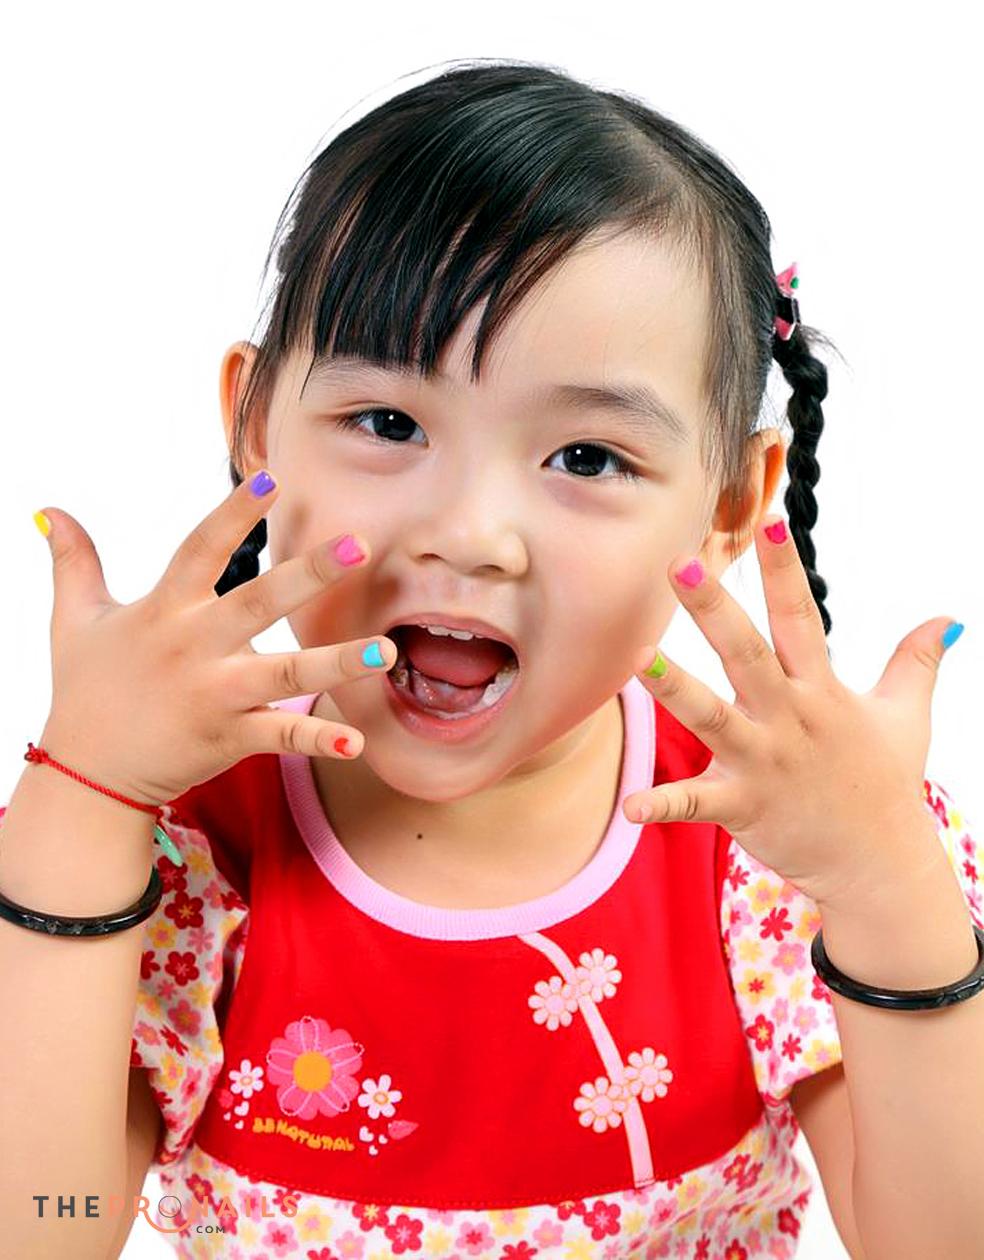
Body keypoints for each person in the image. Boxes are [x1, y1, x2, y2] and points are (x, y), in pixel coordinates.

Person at [2, 59, 981, 1260]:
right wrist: (83, 798)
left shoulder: (775, 834)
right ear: (254, 426)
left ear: (731, 503)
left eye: (587, 458)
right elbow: (37, 1233)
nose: (468, 533)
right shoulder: (185, 835)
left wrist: (885, 884)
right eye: (388, 423)